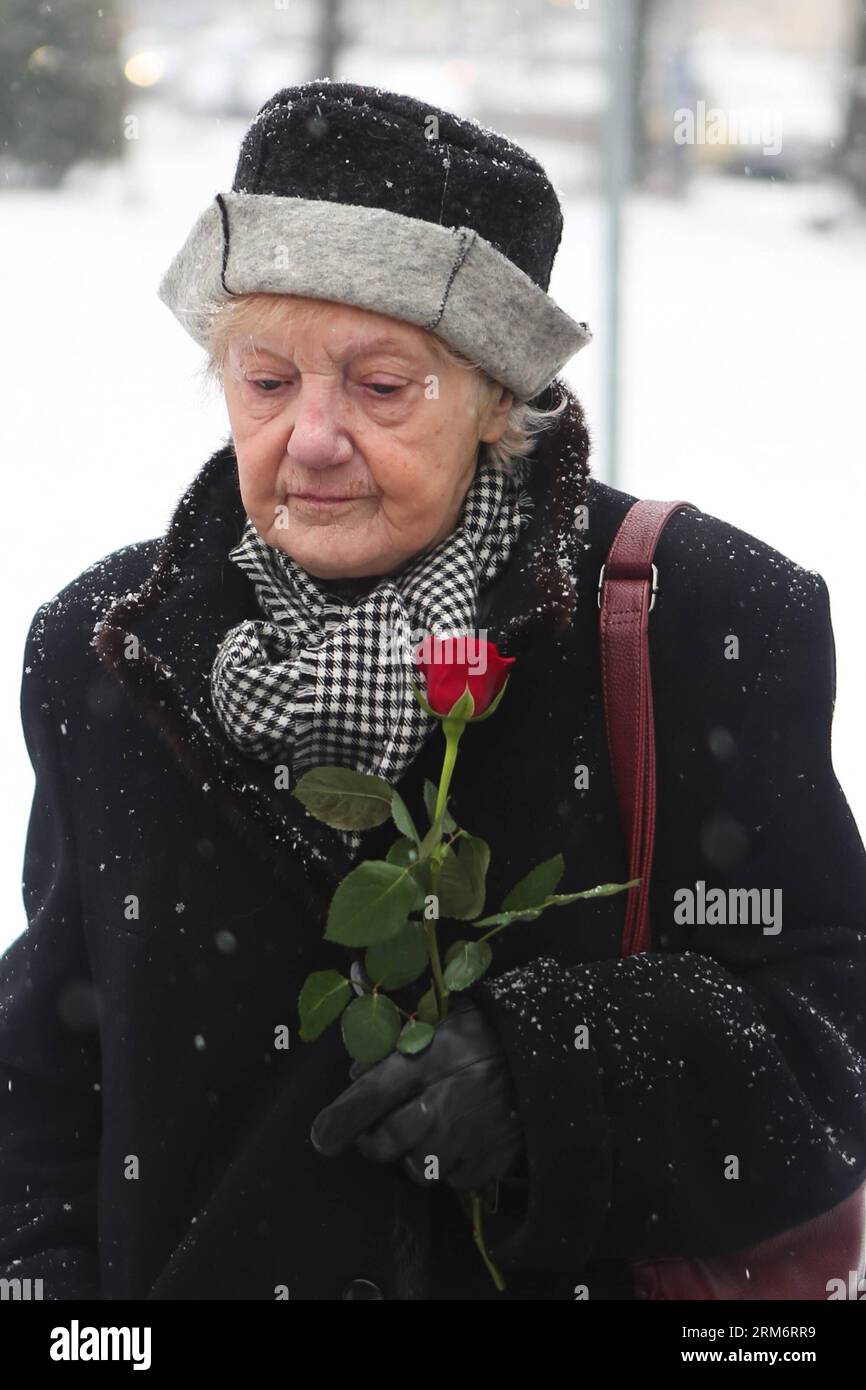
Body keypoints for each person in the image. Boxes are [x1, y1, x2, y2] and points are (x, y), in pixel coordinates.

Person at [2, 80, 865, 1302]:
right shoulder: (103, 651)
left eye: (379, 384)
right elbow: (47, 1074)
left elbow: (834, 1030)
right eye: (264, 379)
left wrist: (553, 1076)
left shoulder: (701, 618)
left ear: (498, 402)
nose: (308, 436)